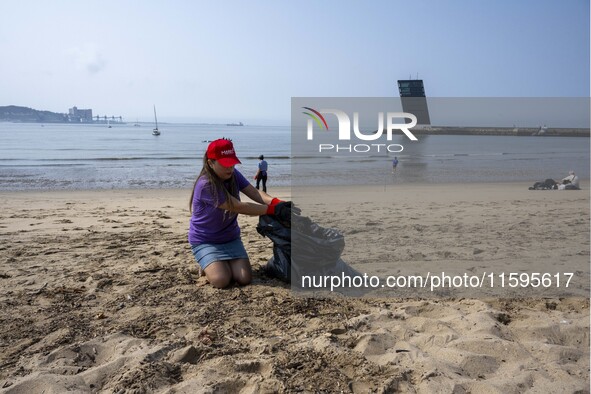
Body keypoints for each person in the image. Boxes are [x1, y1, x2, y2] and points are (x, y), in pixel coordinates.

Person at [188, 139, 292, 288]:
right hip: (206, 240)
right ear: (211, 163)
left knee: (244, 278)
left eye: (232, 163)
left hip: (230, 238)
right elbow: (238, 206)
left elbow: (254, 192)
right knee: (222, 280)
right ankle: (207, 266)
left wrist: (277, 203)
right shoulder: (206, 184)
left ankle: (217, 264)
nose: (230, 167)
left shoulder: (233, 174)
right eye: (224, 164)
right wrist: (273, 210)